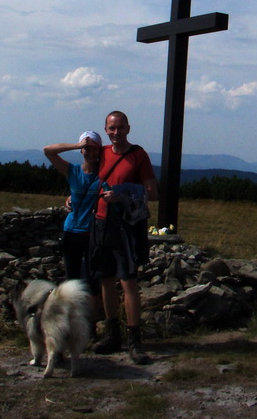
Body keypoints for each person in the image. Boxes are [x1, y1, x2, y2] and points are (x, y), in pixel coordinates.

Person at [90, 110, 158, 364]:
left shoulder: (138, 155)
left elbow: (152, 192)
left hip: (126, 226)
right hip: (101, 222)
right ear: (105, 130)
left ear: (128, 128)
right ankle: (112, 334)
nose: (116, 133)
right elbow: (89, 180)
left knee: (128, 281)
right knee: (106, 279)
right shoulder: (101, 154)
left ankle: (135, 341)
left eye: (120, 128)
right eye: (111, 128)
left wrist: (121, 195)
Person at [43, 131, 103, 298]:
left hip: (94, 234)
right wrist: (77, 145)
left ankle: (92, 318)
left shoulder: (105, 173)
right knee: (72, 279)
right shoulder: (72, 171)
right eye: (86, 148)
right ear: (81, 150)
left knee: (94, 280)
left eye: (94, 148)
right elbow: (48, 150)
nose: (91, 152)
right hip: (72, 232)